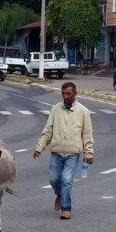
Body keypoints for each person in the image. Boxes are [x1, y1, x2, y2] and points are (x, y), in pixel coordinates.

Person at [33, 82, 94, 220]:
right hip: (57, 151)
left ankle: (66, 208)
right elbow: (48, 131)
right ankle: (60, 195)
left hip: (73, 153)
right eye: (63, 93)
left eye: (68, 93)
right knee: (54, 178)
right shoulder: (55, 109)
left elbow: (87, 134)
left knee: (66, 180)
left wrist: (88, 153)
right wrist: (39, 148)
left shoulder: (83, 111)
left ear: (75, 94)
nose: (65, 96)